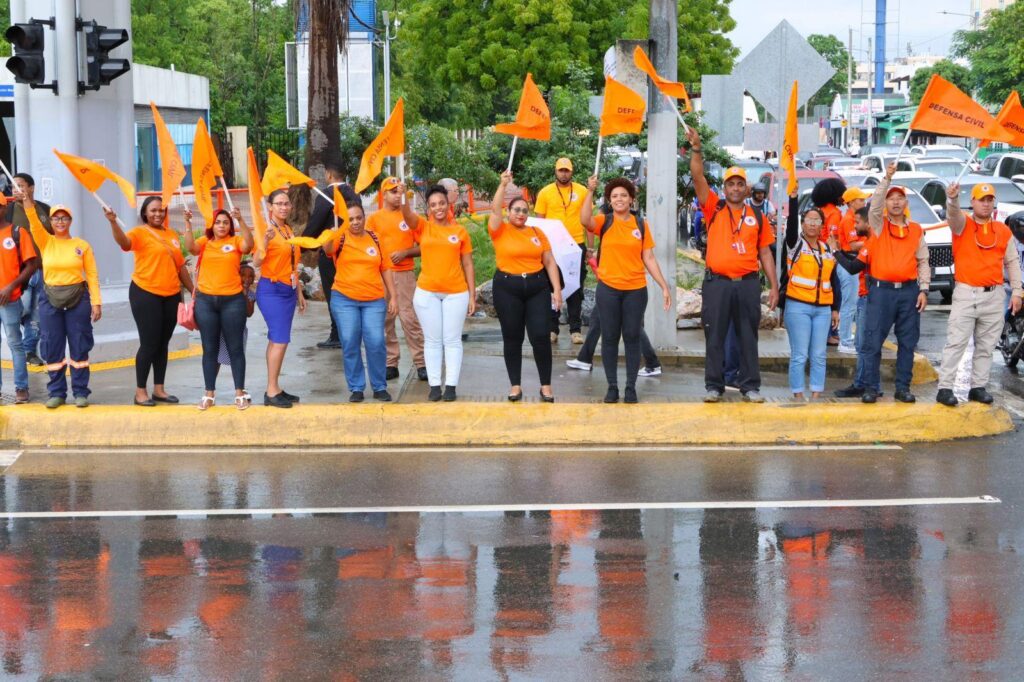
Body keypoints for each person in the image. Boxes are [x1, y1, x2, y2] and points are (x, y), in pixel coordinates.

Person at [687, 128, 780, 403]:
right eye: (731, 184)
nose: (736, 188)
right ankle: (714, 386)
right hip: (717, 283)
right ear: (725, 188)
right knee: (714, 335)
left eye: (740, 184)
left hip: (748, 284)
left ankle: (750, 385)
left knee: (748, 336)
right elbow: (697, 176)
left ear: (746, 188)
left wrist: (774, 286)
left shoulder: (757, 217)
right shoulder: (713, 207)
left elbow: (765, 253)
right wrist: (696, 149)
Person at [580, 175, 672, 404]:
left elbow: (648, 257)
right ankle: (612, 387)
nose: (619, 199)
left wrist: (663, 285)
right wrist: (589, 191)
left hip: (635, 290)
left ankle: (630, 387)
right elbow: (585, 221)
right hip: (608, 289)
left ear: (631, 199)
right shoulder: (605, 221)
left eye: (623, 195)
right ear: (609, 201)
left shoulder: (641, 224)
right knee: (609, 338)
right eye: (614, 196)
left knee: (632, 337)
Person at [935, 183, 1023, 407]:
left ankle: (978, 387)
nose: (986, 203)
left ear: (994, 203)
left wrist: (1017, 291)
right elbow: (953, 215)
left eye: (989, 200)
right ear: (972, 202)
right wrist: (952, 199)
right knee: (957, 343)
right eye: (981, 199)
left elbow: (1012, 262)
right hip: (967, 293)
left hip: (994, 295)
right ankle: (945, 388)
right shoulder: (963, 224)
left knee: (986, 346)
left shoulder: (1003, 231)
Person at [104, 196, 193, 407]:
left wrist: (194, 291)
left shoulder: (171, 235)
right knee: (149, 343)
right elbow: (124, 243)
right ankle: (140, 391)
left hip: (171, 295)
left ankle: (159, 390)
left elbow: (180, 267)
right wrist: (113, 222)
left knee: (163, 344)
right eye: (153, 210)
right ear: (145, 213)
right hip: (145, 293)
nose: (158, 214)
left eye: (161, 210)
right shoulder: (139, 232)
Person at [858, 163, 930, 404]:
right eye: (892, 199)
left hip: (909, 292)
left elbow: (923, 262)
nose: (896, 202)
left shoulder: (916, 230)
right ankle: (870, 387)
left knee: (908, 343)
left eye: (900, 199)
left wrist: (924, 289)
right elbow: (875, 203)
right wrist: (887, 178)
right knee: (872, 342)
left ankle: (902, 388)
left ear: (906, 204)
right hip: (881, 292)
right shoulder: (879, 225)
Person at [489, 170, 563, 401]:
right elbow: (494, 210)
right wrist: (502, 185)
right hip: (507, 287)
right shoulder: (499, 230)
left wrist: (557, 291)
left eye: (524, 210)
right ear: (509, 212)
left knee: (540, 335)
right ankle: (515, 385)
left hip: (537, 286)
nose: (520, 214)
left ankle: (546, 385)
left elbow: (549, 261)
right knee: (512, 337)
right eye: (516, 210)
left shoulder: (536, 232)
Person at [399, 182, 475, 402]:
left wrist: (472, 294)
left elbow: (468, 264)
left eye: (441, 203)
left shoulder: (460, 232)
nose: (438, 208)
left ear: (447, 203)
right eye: (433, 204)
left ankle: (450, 385)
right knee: (432, 340)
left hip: (456, 292)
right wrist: (404, 196)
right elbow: (407, 216)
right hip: (427, 293)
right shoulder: (423, 227)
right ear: (429, 208)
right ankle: (434, 386)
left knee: (452, 340)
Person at [22, 195, 100, 408]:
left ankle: (81, 392)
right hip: (49, 299)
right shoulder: (46, 241)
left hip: (78, 298)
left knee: (79, 345)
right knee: (52, 345)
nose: (60, 222)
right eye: (56, 218)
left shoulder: (82, 245)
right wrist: (27, 202)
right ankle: (56, 392)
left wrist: (96, 302)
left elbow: (91, 274)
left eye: (64, 218)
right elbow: (33, 221)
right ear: (51, 222)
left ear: (70, 221)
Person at [325, 202, 398, 402]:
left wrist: (393, 295)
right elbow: (328, 249)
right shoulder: (339, 237)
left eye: (359, 218)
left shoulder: (375, 238)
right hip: (344, 299)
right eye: (351, 219)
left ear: (365, 217)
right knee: (350, 341)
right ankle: (356, 387)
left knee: (376, 342)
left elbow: (386, 268)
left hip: (374, 300)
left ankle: (379, 386)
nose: (355, 222)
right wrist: (330, 235)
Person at [182, 206, 254, 411]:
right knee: (209, 349)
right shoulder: (205, 242)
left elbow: (249, 245)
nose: (221, 226)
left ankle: (239, 393)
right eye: (218, 222)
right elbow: (190, 247)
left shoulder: (235, 242)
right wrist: (187, 223)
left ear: (230, 226)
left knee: (235, 348)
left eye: (225, 222)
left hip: (232, 301)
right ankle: (209, 394)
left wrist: (241, 220)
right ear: (212, 226)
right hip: (206, 302)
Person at [782, 193, 841, 399]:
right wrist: (792, 198)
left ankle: (816, 394)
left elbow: (834, 281)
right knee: (800, 355)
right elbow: (790, 227)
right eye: (809, 220)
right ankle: (798, 395)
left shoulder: (827, 249)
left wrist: (835, 308)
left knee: (819, 355)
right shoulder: (795, 245)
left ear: (822, 225)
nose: (813, 224)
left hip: (823, 309)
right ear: (803, 223)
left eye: (817, 221)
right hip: (798, 307)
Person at [368, 176, 426, 382]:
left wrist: (406, 252)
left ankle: (421, 363)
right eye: (393, 191)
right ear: (384, 194)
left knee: (410, 318)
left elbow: (424, 246)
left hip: (404, 274)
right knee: (386, 320)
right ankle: (391, 363)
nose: (397, 194)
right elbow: (368, 246)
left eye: (399, 191)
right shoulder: (374, 219)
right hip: (382, 276)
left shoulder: (409, 217)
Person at [254, 188, 307, 408]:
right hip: (272, 290)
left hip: (288, 290)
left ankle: (274, 387)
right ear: (270, 206)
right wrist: (264, 242)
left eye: (286, 204)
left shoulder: (286, 229)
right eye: (279, 204)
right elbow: (256, 261)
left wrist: (299, 292)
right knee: (280, 339)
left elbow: (292, 264)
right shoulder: (266, 230)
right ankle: (271, 391)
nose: (284, 207)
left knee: (278, 340)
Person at [534, 157, 591, 345]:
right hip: (552, 247)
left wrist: (590, 248)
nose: (564, 173)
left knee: (575, 288)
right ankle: (552, 328)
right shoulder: (545, 192)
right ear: (555, 171)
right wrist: (539, 248)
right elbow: (538, 222)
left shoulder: (582, 191)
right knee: (552, 287)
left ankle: (575, 329)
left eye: (567, 170)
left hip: (576, 245)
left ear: (572, 171)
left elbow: (589, 221)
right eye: (561, 170)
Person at [302, 163, 358, 350]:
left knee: (333, 293)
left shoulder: (326, 195)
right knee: (349, 293)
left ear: (328, 175)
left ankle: (337, 334)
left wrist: (302, 245)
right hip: (352, 253)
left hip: (330, 252)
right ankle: (351, 332)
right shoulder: (353, 194)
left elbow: (315, 223)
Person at [832, 207, 876, 398]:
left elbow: (852, 267)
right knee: (866, 344)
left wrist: (835, 250)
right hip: (870, 295)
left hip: (870, 297)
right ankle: (868, 385)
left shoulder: (871, 243)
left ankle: (865, 385)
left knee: (864, 344)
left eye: (858, 222)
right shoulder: (872, 241)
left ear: (868, 223)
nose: (855, 225)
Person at [7, 173, 50, 367]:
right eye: (13, 186)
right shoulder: (7, 211)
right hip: (20, 272)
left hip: (42, 270)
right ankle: (18, 347)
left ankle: (29, 351)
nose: (15, 189)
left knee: (37, 315)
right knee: (22, 310)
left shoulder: (45, 209)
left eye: (20, 186)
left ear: (31, 188)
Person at [0, 200, 39, 403]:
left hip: (10, 299)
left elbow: (32, 265)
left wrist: (10, 286)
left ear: (4, 208)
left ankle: (21, 388)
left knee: (16, 344)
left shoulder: (17, 232)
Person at [811, 178, 847, 347]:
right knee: (835, 295)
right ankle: (831, 333)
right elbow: (833, 238)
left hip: (816, 258)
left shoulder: (819, 210)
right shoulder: (834, 213)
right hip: (830, 259)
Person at [835, 187, 871, 354]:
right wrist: (873, 241)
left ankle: (846, 339)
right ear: (851, 202)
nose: (864, 202)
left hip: (851, 262)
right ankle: (845, 341)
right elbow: (853, 244)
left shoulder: (852, 218)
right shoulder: (849, 220)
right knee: (849, 304)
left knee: (851, 303)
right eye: (860, 200)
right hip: (848, 262)